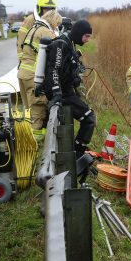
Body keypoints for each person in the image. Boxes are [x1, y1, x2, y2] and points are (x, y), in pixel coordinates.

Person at [40, 20, 95, 159]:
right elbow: (54, 70)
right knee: (89, 118)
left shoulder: (70, 44)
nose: (88, 40)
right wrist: (57, 94)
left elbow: (66, 70)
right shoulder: (61, 45)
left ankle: (74, 151)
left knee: (87, 116)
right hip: (61, 93)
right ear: (79, 33)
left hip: (66, 91)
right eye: (86, 36)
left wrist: (75, 78)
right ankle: (77, 154)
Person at [17, 9, 62, 144]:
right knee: (37, 109)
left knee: (29, 110)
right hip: (33, 76)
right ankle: (34, 145)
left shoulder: (33, 29)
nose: (57, 27)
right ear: (53, 21)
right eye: (57, 25)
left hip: (22, 74)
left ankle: (29, 137)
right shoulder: (46, 32)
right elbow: (58, 50)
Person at [17, 0, 57, 109]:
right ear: (39, 9)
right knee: (35, 108)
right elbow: (21, 41)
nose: (49, 12)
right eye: (46, 9)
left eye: (52, 9)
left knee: (31, 108)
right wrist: (23, 61)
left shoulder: (47, 23)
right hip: (31, 71)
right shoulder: (31, 20)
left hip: (29, 70)